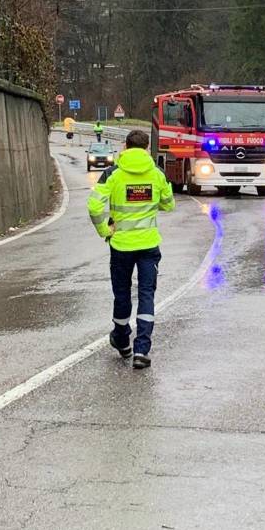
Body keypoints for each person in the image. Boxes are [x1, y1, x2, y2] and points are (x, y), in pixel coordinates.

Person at [87, 129, 175, 369]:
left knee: (122, 294)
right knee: (146, 295)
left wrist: (105, 230)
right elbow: (169, 204)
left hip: (121, 246)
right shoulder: (157, 173)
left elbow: (94, 207)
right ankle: (142, 350)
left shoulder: (112, 174)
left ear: (125, 146)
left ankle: (122, 339)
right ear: (147, 148)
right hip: (148, 245)